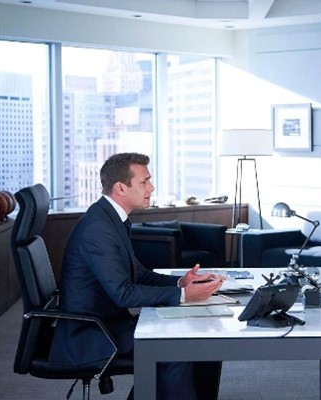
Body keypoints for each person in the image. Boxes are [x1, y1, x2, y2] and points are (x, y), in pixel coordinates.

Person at [49, 152, 224, 400]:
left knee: (200, 338)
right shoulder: (98, 228)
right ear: (121, 188)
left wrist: (180, 282)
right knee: (176, 347)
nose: (151, 188)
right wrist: (183, 295)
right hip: (91, 334)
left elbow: (137, 273)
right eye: (144, 182)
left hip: (108, 322)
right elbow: (124, 294)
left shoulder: (111, 219)